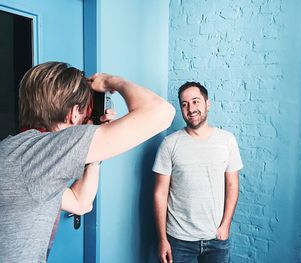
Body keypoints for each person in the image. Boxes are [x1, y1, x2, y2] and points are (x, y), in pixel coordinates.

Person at [0, 61, 175, 263]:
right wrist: (112, 81)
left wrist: (94, 154)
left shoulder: (19, 151)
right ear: (75, 113)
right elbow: (163, 112)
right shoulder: (44, 150)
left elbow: (80, 202)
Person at [153, 81, 243, 263]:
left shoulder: (227, 140)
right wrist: (162, 239)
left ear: (207, 104)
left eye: (195, 101)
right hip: (179, 239)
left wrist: (225, 226)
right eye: (184, 104)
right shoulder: (170, 144)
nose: (190, 108)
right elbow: (160, 193)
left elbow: (232, 185)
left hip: (216, 239)